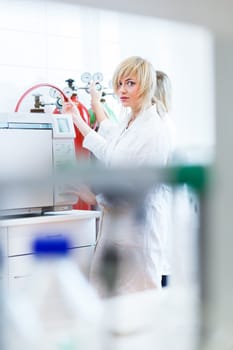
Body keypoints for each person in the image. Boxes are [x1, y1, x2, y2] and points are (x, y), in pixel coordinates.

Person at [63, 56, 174, 298]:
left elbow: (138, 189)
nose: (122, 90)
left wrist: (94, 195)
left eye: (130, 83)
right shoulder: (130, 120)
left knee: (138, 304)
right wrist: (77, 120)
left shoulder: (153, 131)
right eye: (120, 83)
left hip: (139, 232)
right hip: (118, 227)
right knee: (109, 299)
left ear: (145, 85)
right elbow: (110, 152)